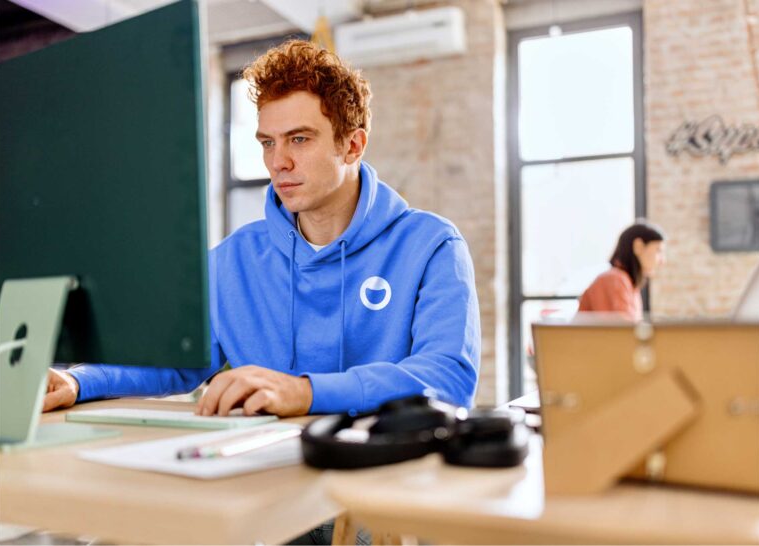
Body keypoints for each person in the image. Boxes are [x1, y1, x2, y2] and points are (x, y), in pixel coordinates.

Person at [42, 40, 481, 418]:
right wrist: (79, 381)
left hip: (378, 492)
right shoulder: (233, 260)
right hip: (269, 484)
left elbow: (446, 377)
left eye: (299, 139)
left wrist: (304, 393)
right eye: (268, 142)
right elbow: (174, 362)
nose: (278, 162)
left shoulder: (432, 246)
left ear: (352, 145)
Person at [577, 221, 665, 321]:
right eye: (658, 250)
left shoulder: (628, 283)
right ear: (638, 246)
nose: (662, 261)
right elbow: (624, 333)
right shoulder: (615, 279)